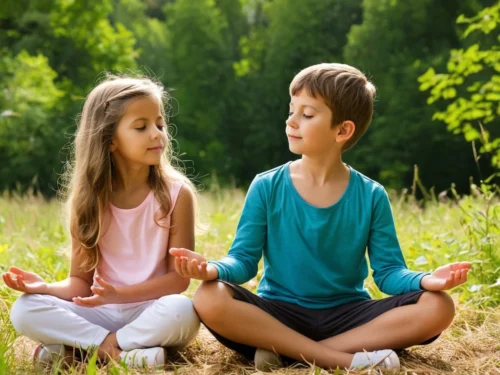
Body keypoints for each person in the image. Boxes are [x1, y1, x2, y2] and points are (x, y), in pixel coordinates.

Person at [169, 63, 472, 371]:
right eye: (291, 110)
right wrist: (212, 269)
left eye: (307, 114)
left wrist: (427, 279)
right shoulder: (266, 186)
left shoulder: (371, 195)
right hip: (279, 314)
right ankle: (340, 360)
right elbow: (243, 260)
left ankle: (291, 353)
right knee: (209, 297)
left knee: (439, 305)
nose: (291, 121)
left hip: (349, 316)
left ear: (343, 130)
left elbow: (389, 272)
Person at [2, 75, 200, 369]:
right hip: (99, 311)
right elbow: (80, 284)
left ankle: (85, 350)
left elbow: (178, 281)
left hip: (151, 308)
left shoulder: (177, 194)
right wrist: (44, 287)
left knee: (183, 311)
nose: (157, 134)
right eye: (141, 126)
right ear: (109, 141)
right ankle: (125, 354)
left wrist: (121, 294)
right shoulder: (88, 201)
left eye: (160, 124)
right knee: (25, 309)